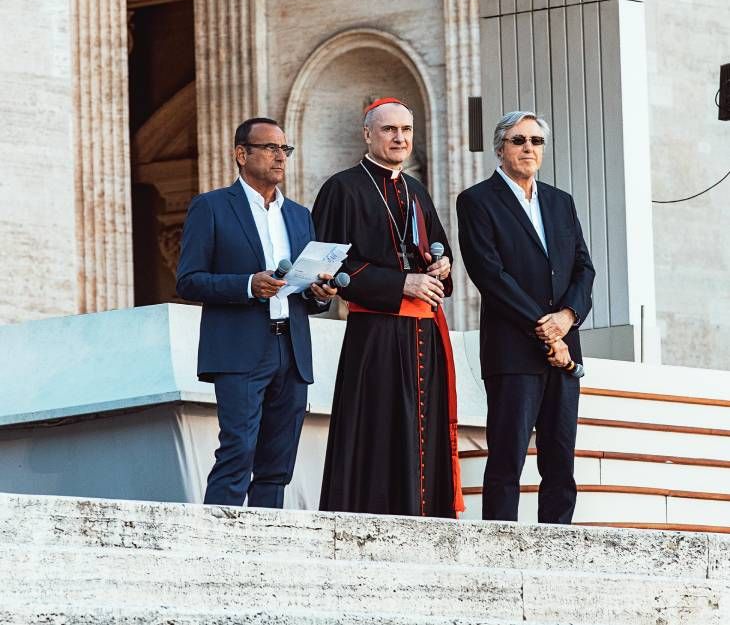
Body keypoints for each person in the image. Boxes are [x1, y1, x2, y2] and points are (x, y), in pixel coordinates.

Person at [313, 97, 464, 518]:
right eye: (389, 130)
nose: (400, 138)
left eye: (406, 130)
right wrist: (402, 283)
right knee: (379, 433)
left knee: (423, 432)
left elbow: (439, 252)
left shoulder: (416, 190)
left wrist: (441, 265)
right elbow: (330, 264)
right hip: (375, 336)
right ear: (367, 134)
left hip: (425, 334)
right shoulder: (341, 188)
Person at [176, 117, 335, 508]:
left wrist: (321, 293)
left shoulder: (299, 215)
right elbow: (189, 280)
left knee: (277, 465)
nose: (280, 157)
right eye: (270, 148)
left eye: (285, 149)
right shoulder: (211, 207)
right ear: (241, 154)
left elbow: (307, 292)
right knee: (237, 453)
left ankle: (269, 552)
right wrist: (248, 284)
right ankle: (216, 550)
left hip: (292, 349)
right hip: (240, 349)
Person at [457, 110, 595, 524]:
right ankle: (500, 547)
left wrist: (568, 317)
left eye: (536, 141)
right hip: (513, 349)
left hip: (564, 350)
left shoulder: (560, 201)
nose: (528, 148)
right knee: (507, 459)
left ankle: (559, 544)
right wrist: (545, 327)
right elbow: (490, 275)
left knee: (560, 460)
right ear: (500, 148)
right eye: (519, 140)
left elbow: (583, 269)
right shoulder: (477, 201)